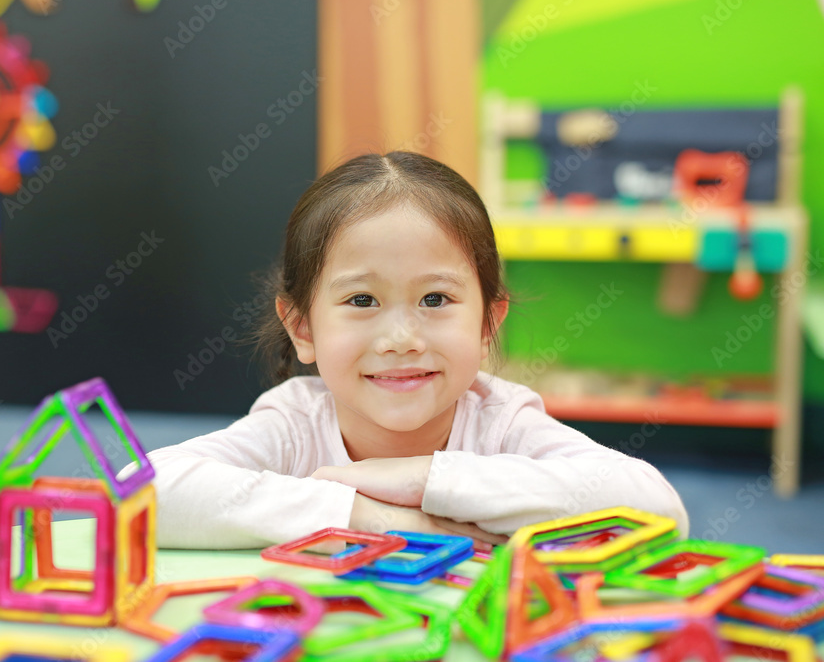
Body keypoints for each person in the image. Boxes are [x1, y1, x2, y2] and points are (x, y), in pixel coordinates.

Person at [120, 150, 689, 550]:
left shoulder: (501, 423)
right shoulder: (295, 424)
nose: (401, 339)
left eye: (435, 299)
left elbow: (657, 509)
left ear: (488, 323)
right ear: (303, 328)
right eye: (362, 300)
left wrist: (426, 479)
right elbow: (138, 491)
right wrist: (367, 517)